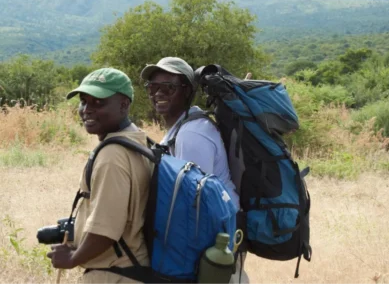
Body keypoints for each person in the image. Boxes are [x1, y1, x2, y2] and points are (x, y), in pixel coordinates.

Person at [140, 57, 249, 283]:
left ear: (187, 91)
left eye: (168, 87)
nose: (158, 93)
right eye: (153, 86)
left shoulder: (192, 134)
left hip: (216, 239)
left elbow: (193, 203)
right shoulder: (181, 128)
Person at [47, 68, 152, 284]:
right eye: (84, 101)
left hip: (113, 274)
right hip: (135, 270)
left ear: (124, 104)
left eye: (98, 102)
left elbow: (106, 230)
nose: (87, 109)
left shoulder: (112, 155)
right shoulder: (142, 142)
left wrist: (72, 258)